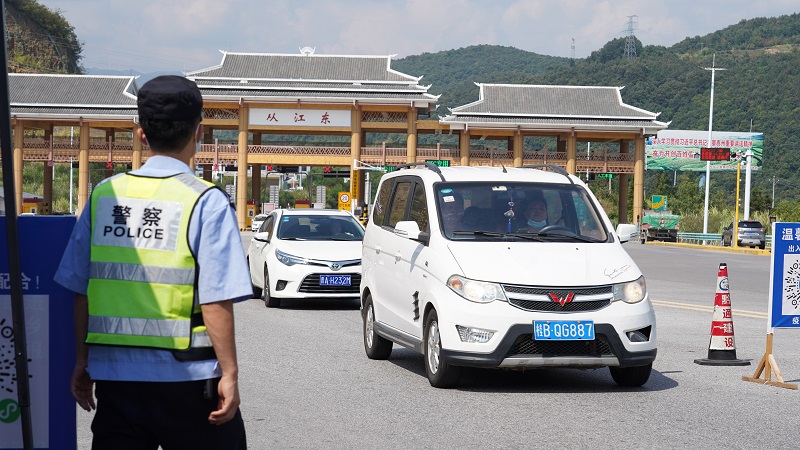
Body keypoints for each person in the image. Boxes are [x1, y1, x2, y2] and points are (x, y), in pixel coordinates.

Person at [55, 75, 250, 449]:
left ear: (141, 133)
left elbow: (81, 290)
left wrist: (82, 360)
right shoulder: (206, 201)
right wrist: (230, 372)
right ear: (200, 131)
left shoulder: (103, 196)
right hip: (191, 381)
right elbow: (215, 300)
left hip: (117, 384)